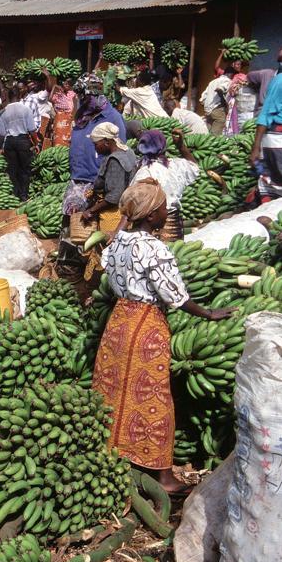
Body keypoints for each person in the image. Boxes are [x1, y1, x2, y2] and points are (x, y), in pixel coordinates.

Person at [93, 179, 233, 492]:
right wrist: (209, 313)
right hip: (146, 327)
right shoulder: (154, 248)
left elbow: (108, 274)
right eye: (161, 207)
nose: (166, 211)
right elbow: (175, 296)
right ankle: (164, 477)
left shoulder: (116, 243)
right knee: (154, 399)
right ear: (150, 215)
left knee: (115, 392)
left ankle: (116, 456)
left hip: (118, 324)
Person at [65, 74, 126, 215]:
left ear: (96, 95)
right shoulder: (82, 116)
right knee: (72, 221)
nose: (82, 101)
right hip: (78, 179)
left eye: (86, 98)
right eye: (81, 98)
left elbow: (119, 150)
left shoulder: (112, 118)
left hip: (97, 182)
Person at [132, 128, 199, 236]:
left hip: (152, 225)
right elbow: (194, 166)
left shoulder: (145, 172)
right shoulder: (176, 165)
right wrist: (180, 146)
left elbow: (134, 200)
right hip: (174, 224)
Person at [81, 122, 137, 233]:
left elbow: (113, 198)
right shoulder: (128, 152)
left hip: (114, 214)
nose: (95, 148)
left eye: (96, 144)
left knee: (109, 246)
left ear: (106, 142)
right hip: (128, 210)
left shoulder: (115, 161)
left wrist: (91, 211)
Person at [250, 47, 282, 201]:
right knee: (273, 185)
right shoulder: (280, 81)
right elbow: (265, 114)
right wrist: (256, 148)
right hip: (277, 140)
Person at [0, 86, 38, 201]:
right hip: (23, 141)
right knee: (25, 168)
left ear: (9, 97)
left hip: (10, 142)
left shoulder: (3, 112)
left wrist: (1, 147)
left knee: (13, 169)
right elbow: (32, 130)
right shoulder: (25, 110)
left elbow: (1, 133)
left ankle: (16, 193)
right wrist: (36, 143)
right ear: (19, 96)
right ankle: (24, 195)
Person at [201, 70, 231, 135]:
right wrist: (224, 103)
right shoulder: (227, 80)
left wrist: (207, 108)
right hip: (218, 109)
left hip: (208, 111)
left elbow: (202, 98)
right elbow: (220, 89)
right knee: (215, 136)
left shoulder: (212, 82)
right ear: (230, 74)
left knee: (207, 134)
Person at [50, 78, 77, 147]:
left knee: (68, 140)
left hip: (69, 119)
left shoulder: (72, 94)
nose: (67, 84)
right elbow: (50, 99)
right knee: (58, 141)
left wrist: (73, 119)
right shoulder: (58, 94)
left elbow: (74, 107)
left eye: (68, 83)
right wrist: (54, 87)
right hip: (59, 120)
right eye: (65, 82)